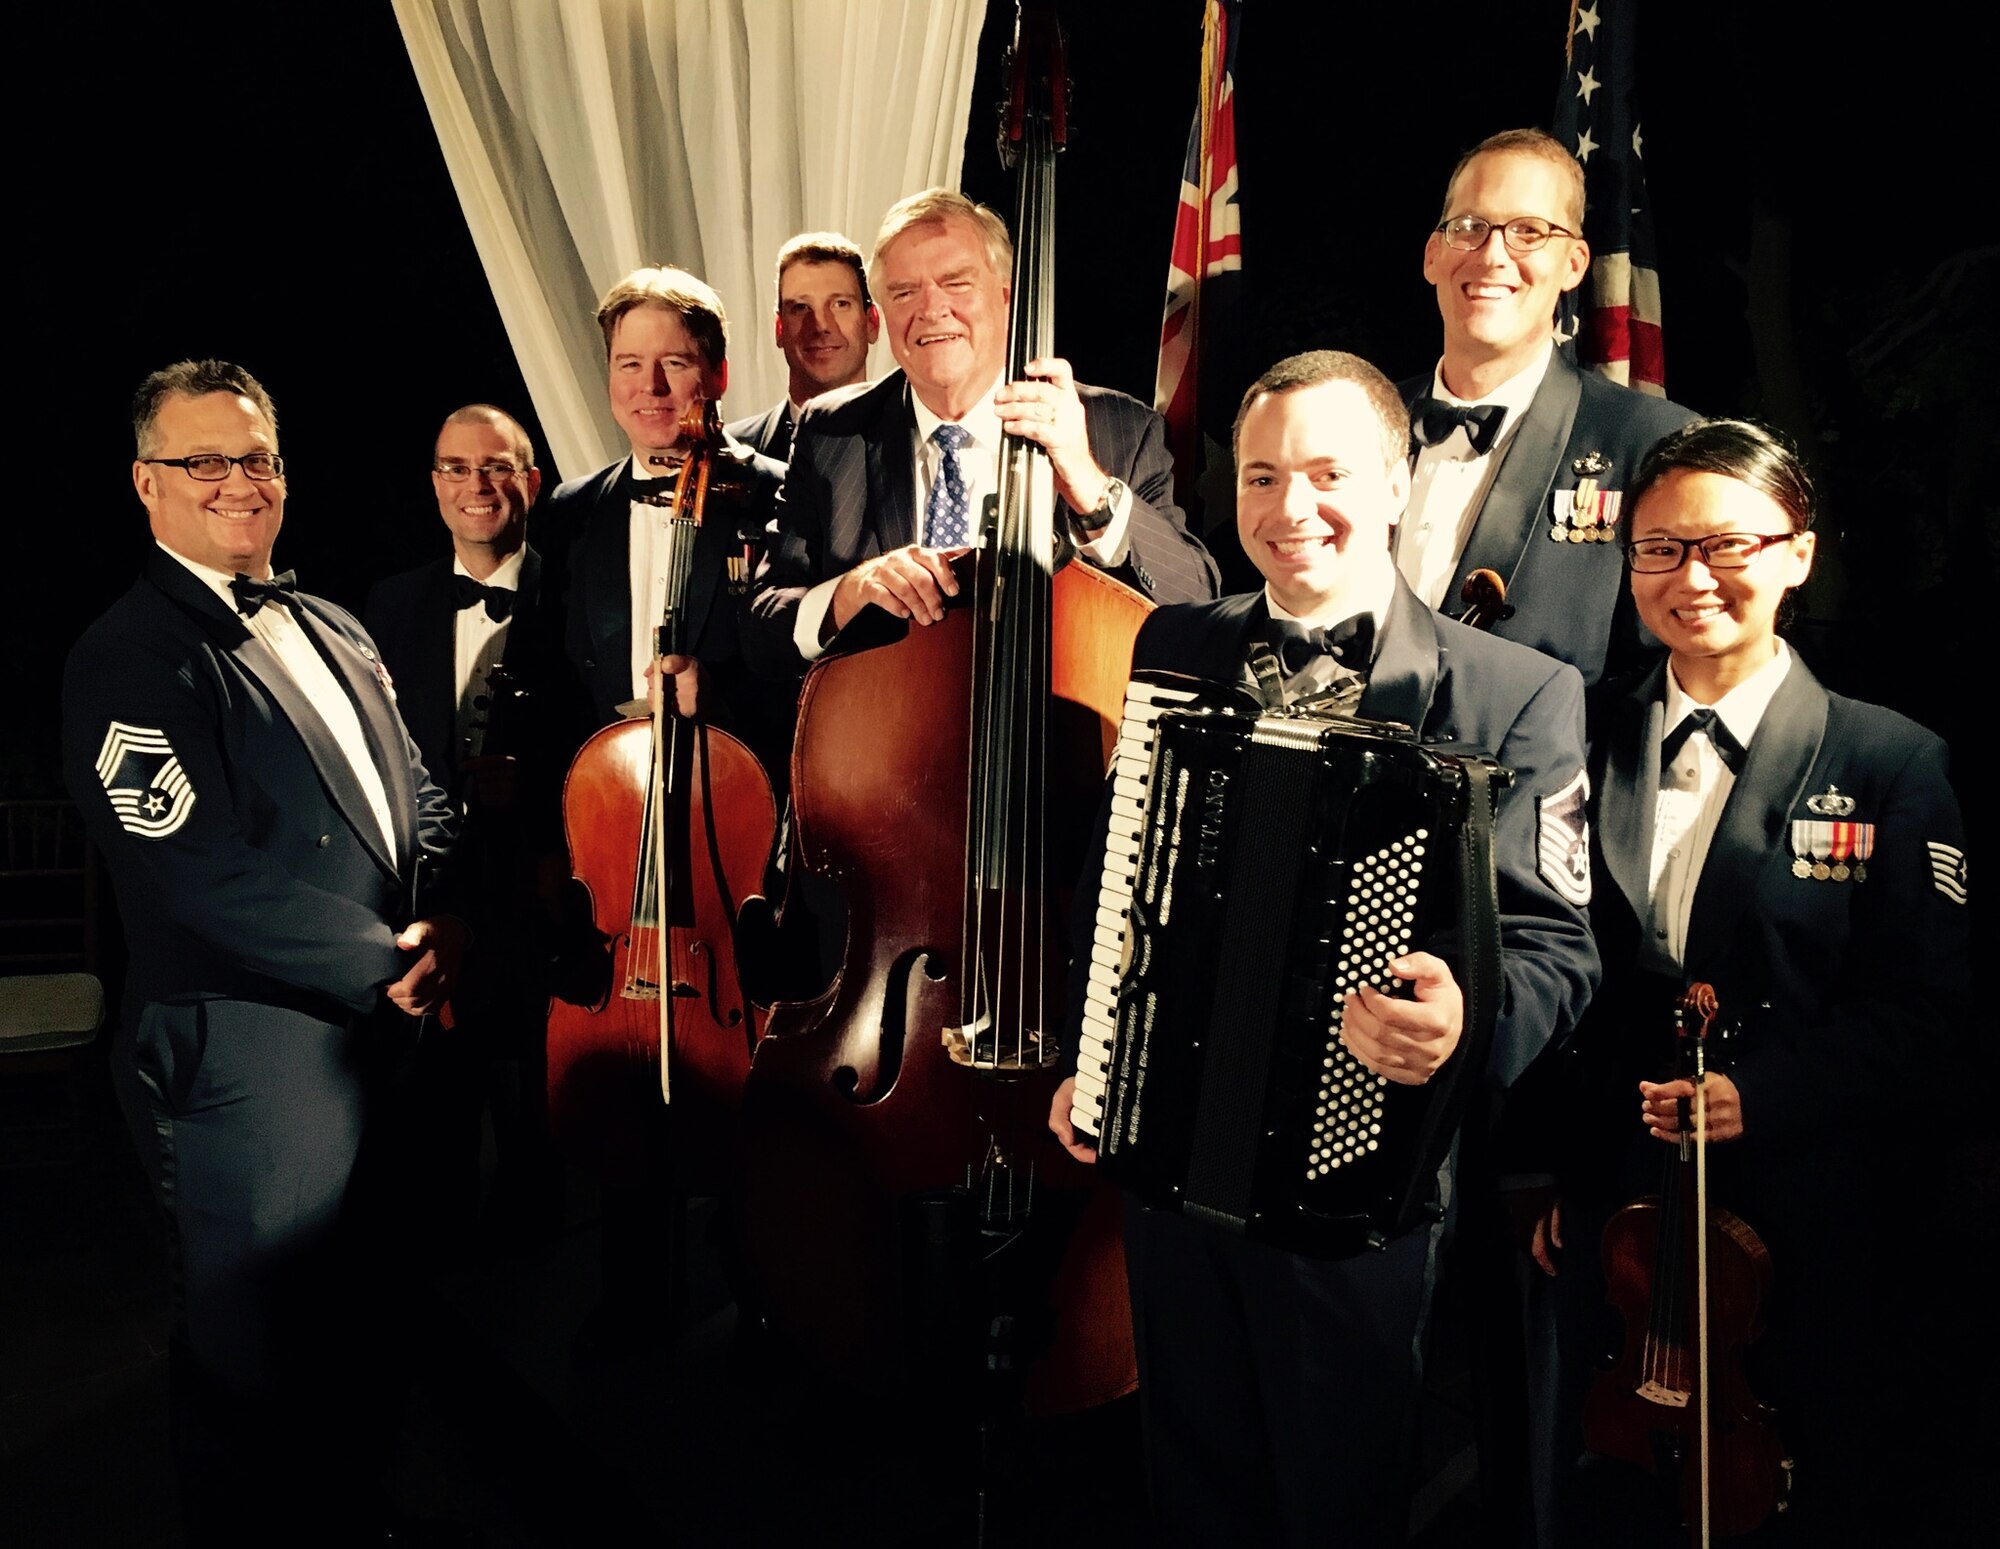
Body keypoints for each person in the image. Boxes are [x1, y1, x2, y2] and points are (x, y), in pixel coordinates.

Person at [1047, 349, 1600, 1547]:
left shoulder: (1516, 691)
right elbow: (1122, 875)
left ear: (1396, 482)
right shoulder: (1173, 644)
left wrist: (1466, 1022)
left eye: (1325, 473)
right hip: (1171, 1156)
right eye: (1259, 477)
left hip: (1360, 1190)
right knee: (1190, 1481)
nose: (1289, 510)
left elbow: (1559, 943)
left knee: (1336, 1496)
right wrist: (1097, 1053)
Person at [1503, 419, 1972, 1548]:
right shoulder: (1579, 725)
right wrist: (1561, 1173)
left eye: (1726, 546)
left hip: (1805, 1214)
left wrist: (1760, 1094)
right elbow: (1560, 968)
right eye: (1658, 550)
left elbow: (1934, 1019)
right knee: (1603, 1497)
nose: (1691, 578)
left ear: (1796, 553)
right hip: (1614, 1221)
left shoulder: (1888, 758)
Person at [62, 360, 469, 1544]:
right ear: (147, 484)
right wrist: (384, 959)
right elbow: (197, 871)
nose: (238, 482)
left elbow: (420, 797)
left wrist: (444, 916)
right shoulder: (126, 655)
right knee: (255, 1356)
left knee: (371, 1323)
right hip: (247, 1051)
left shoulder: (332, 621)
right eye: (203, 460)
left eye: (257, 457)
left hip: (387, 1027)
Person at [745, 187, 1219, 673]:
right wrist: (848, 594)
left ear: (1007, 298)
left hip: (1058, 738)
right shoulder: (831, 432)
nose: (931, 309)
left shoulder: (1117, 428)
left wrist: (1090, 488)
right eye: (905, 292)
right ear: (882, 315)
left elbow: (1195, 600)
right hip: (883, 738)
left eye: (956, 283)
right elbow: (763, 625)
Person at [364, 404, 586, 1255]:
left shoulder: (576, 595)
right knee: (432, 1103)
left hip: (535, 878)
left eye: (496, 467)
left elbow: (613, 732)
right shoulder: (391, 602)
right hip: (425, 882)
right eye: (455, 468)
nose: (476, 486)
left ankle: (531, 1269)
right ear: (434, 485)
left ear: (530, 482)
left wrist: (538, 789)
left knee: (532, 1096)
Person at [1400, 127, 1694, 686]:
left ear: (1575, 264)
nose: (1493, 256)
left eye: (1529, 232)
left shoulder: (1655, 446)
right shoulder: (1360, 421)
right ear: (1433, 255)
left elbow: (1664, 678)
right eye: (1470, 227)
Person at [543, 265, 792, 776]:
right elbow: (561, 686)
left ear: (718, 374)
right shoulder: (573, 509)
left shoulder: (779, 493)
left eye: (674, 363)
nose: (649, 386)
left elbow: (811, 668)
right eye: (628, 363)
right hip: (610, 798)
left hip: (743, 787)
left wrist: (723, 694)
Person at [726, 230, 878, 463]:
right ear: (779, 329)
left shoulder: (915, 442)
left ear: (872, 322)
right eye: (800, 307)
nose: (821, 326)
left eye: (840, 304)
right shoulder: (730, 452)